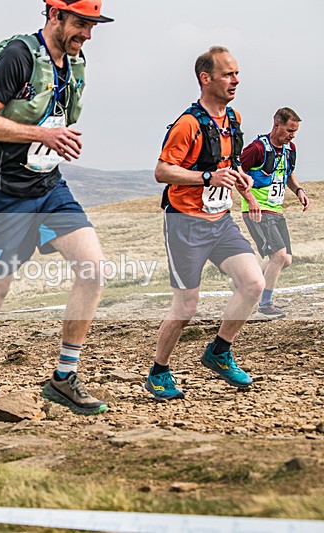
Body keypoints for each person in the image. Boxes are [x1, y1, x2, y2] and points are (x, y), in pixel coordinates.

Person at [0, 0, 114, 418]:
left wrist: (58, 138)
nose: (87, 35)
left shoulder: (75, 62)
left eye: (92, 27)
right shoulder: (19, 56)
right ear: (55, 16)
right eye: (80, 25)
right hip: (5, 195)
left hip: (49, 187)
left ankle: (63, 378)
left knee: (93, 269)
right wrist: (40, 133)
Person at [145, 46, 265, 401]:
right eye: (228, 74)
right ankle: (159, 371)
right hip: (185, 224)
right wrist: (208, 177)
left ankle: (219, 351)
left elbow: (230, 166)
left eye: (237, 73)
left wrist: (247, 191)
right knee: (186, 307)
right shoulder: (188, 124)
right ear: (206, 78)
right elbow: (162, 172)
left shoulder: (234, 120)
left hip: (221, 221)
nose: (236, 80)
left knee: (254, 283)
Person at [240, 108, 310, 319]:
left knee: (285, 259)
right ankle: (265, 305)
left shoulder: (290, 149)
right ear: (277, 124)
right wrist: (250, 199)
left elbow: (288, 174)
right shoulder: (257, 148)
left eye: (295, 131)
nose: (292, 135)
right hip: (258, 211)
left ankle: (244, 283)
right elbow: (237, 174)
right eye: (289, 130)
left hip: (276, 211)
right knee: (278, 257)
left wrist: (299, 191)